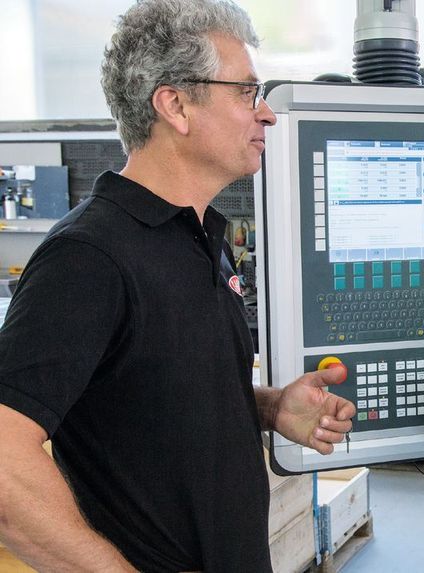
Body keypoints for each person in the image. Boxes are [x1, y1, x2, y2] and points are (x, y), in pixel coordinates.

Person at [0, 1, 355, 571]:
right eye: (246, 92)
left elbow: (153, 395)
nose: (265, 114)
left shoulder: (196, 235)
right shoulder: (87, 258)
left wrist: (267, 408)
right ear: (175, 105)